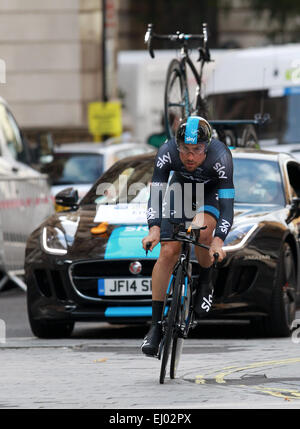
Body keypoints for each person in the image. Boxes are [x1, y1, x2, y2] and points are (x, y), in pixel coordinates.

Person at [141, 116, 235, 357]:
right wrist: (153, 228)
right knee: (168, 251)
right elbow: (156, 194)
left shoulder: (221, 157)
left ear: (207, 147)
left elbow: (226, 207)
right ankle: (154, 327)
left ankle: (205, 280)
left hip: (210, 193)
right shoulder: (166, 152)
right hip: (180, 190)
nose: (190, 156)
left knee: (203, 231)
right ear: (177, 145)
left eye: (197, 150)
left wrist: (218, 240)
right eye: (185, 149)